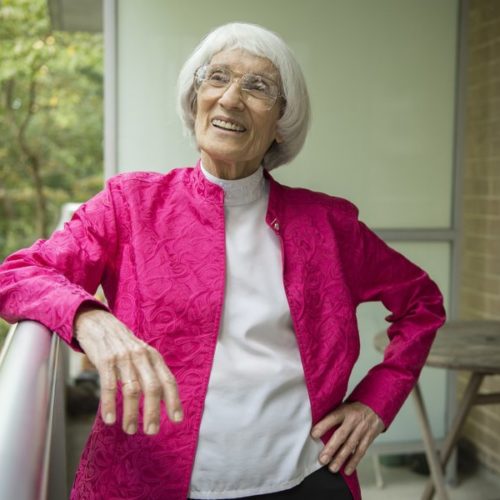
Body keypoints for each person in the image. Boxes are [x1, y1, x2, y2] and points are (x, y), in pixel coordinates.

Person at [0, 22, 445, 500]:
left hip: (304, 478)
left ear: (281, 122)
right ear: (195, 101)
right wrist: (91, 320)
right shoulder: (130, 204)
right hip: (154, 482)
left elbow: (422, 303)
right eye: (217, 78)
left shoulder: (328, 225)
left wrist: (377, 401)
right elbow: (18, 275)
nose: (231, 99)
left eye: (258, 87)